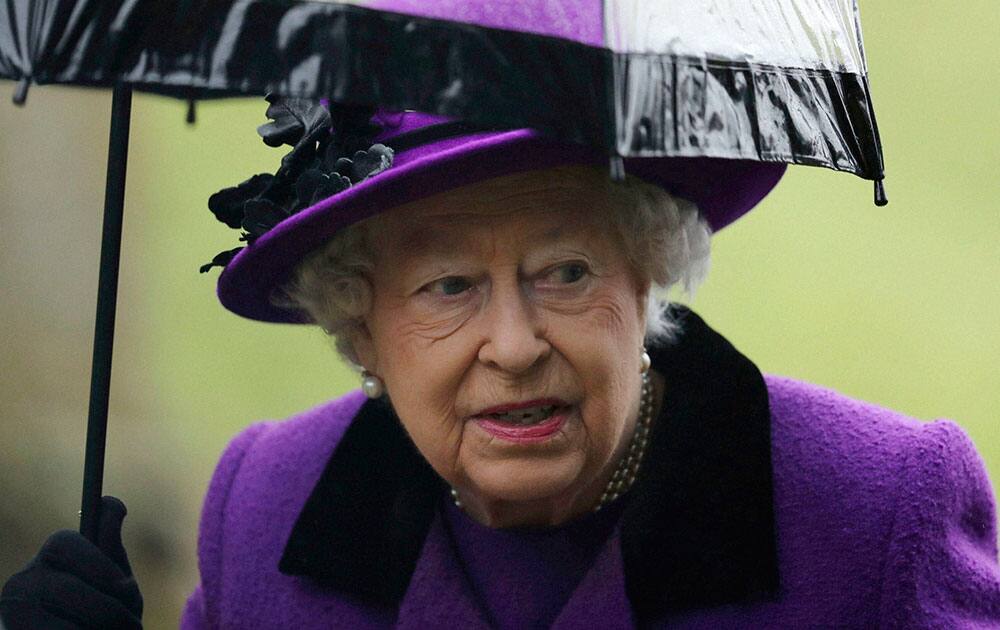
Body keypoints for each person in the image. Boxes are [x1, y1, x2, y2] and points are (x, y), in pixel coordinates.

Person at [2, 102, 999, 630]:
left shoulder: (875, 515)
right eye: (446, 287)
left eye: (563, 271)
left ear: (645, 273)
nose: (515, 345)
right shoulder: (265, 512)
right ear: (361, 319)